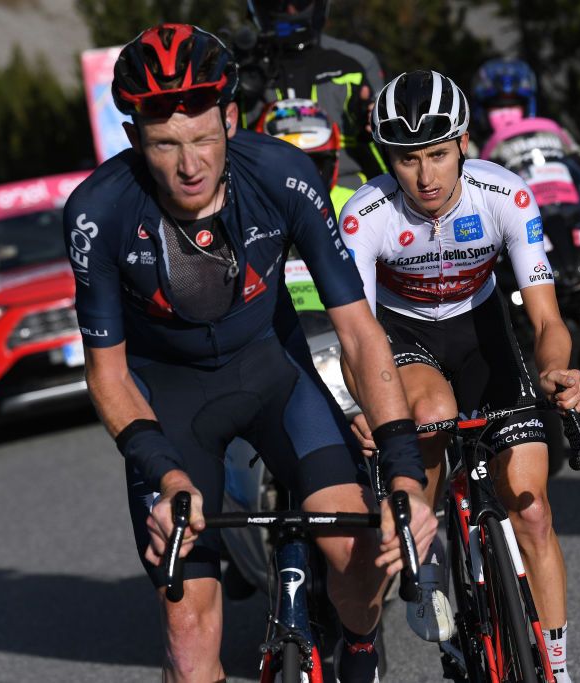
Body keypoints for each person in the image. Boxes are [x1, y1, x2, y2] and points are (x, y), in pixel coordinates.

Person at [63, 24, 436, 683]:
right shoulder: (99, 212)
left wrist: (404, 466)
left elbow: (357, 332)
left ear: (231, 119)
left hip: (275, 374)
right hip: (171, 402)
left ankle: (358, 650)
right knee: (188, 628)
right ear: (133, 138)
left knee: (356, 551)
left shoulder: (284, 175)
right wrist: (165, 474)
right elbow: (108, 374)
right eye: (164, 144)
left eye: (204, 137)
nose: (189, 164)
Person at [338, 69, 580, 683]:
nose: (425, 177)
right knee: (427, 417)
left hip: (482, 333)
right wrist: (365, 403)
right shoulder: (364, 216)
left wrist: (556, 372)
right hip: (403, 336)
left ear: (464, 144)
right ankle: (426, 553)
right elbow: (355, 336)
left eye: (438, 155)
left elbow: (547, 320)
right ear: (386, 158)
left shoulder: (505, 195)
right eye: (406, 159)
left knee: (531, 509)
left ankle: (557, 669)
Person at [234, 0, 387, 189]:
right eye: (278, 4)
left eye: (301, 2)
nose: (290, 10)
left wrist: (370, 121)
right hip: (267, 195)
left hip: (348, 198)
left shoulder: (357, 62)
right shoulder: (238, 69)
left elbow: (390, 156)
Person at [472, 57, 580, 197]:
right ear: (482, 110)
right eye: (497, 107)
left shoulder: (550, 133)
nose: (506, 113)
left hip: (571, 208)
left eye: (514, 105)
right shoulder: (476, 148)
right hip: (517, 217)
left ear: (527, 106)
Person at [256, 97, 356, 213]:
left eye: (314, 165)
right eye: (289, 166)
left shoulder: (354, 206)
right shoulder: (253, 211)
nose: (303, 179)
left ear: (332, 161)